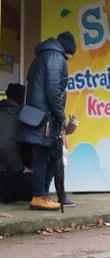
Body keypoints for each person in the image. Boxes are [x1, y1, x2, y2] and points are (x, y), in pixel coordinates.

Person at [17, 31, 76, 211]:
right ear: (68, 51)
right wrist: (61, 116)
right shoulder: (56, 58)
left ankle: (45, 194)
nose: (70, 61)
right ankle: (39, 196)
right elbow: (53, 91)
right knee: (45, 155)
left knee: (51, 154)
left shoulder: (43, 56)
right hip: (46, 117)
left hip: (39, 114)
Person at [0, 83, 34, 203]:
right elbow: (5, 144)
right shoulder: (8, 114)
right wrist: (20, 168)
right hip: (4, 173)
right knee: (34, 185)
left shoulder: (7, 111)